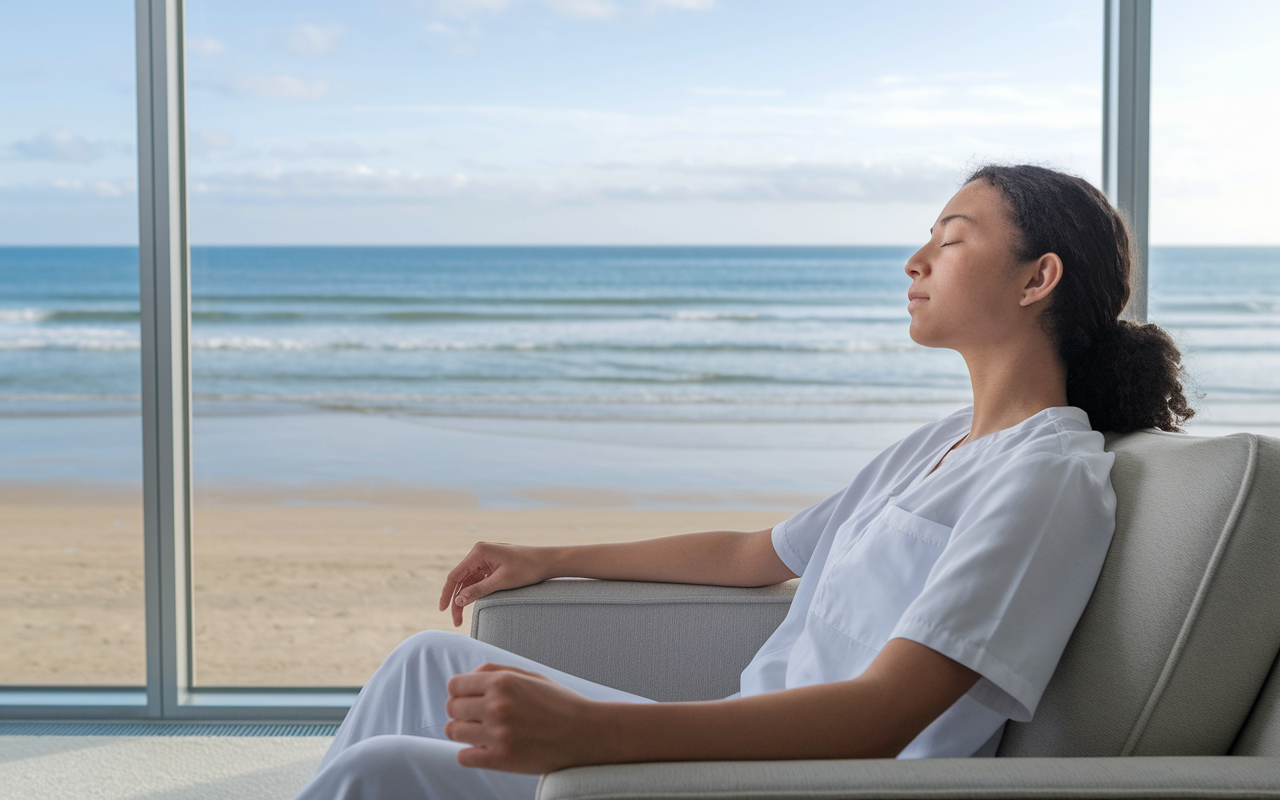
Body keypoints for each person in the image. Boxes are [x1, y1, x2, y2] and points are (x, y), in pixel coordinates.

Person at [296, 164, 1194, 800]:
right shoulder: (940, 446)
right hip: (742, 742)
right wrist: (548, 554)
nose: (914, 262)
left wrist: (594, 733)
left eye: (951, 240)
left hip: (811, 786)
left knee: (373, 778)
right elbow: (754, 553)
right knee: (426, 661)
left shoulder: (1046, 480)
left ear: (1039, 278)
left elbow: (884, 718)